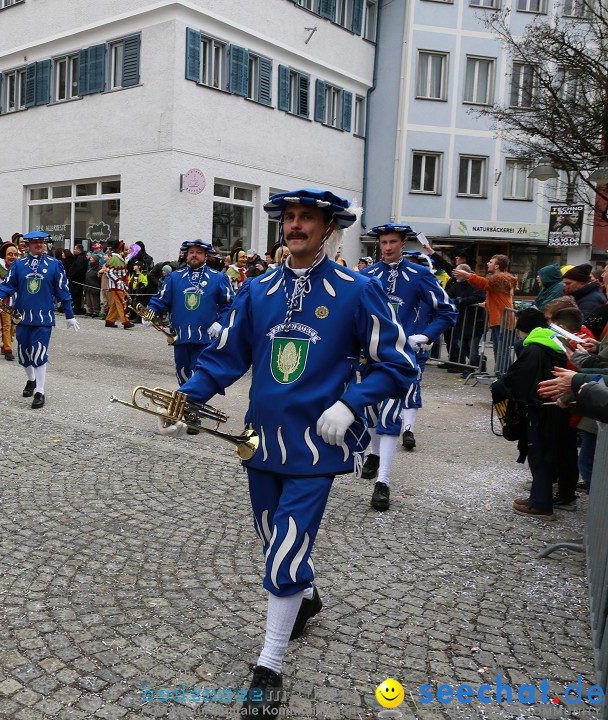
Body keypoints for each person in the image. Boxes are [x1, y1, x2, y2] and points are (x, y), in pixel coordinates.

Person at [165, 190, 416, 717]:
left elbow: (397, 365)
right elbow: (226, 356)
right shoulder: (258, 289)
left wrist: (352, 405)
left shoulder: (357, 289)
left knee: (285, 547)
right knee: (272, 539)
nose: (296, 225)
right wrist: (189, 394)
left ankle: (269, 665)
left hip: (316, 447)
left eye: (308, 218)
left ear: (328, 228)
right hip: (259, 442)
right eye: (290, 218)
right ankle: (306, 597)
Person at [359, 227, 456, 510]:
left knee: (390, 416)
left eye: (393, 242)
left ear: (403, 244)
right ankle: (374, 454)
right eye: (383, 242)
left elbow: (447, 310)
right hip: (369, 357)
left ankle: (383, 483)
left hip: (400, 358)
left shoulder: (419, 275)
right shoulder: (366, 276)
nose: (388, 247)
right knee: (372, 414)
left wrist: (424, 336)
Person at [504, 307, 580, 518]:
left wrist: (503, 386)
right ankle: (539, 497)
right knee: (547, 453)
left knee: (540, 454)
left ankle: (540, 503)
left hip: (542, 408)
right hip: (557, 406)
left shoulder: (534, 348)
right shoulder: (553, 344)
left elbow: (520, 379)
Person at [0, 231, 80, 409]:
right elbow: (8, 286)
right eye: (35, 243)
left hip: (44, 318)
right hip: (23, 316)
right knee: (24, 356)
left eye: (41, 242)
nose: (39, 245)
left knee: (39, 353)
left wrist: (70, 315)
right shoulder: (19, 265)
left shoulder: (55, 264)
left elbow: (63, 290)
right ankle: (31, 380)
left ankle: (40, 391)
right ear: (27, 245)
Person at [147, 239, 233, 385]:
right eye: (191, 252)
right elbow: (161, 300)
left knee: (200, 376)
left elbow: (231, 306)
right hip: (181, 337)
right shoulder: (174, 277)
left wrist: (220, 323)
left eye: (199, 253)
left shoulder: (218, 278)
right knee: (182, 375)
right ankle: (185, 406)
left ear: (206, 255)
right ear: (186, 255)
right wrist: (150, 312)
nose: (194, 255)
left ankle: (194, 404)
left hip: (206, 338)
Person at [451, 255, 517, 374]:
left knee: (502, 350)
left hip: (502, 319)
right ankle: (502, 373)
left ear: (497, 266)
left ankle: (505, 374)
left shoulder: (500, 278)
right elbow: (499, 297)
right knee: (499, 349)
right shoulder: (500, 279)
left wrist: (468, 275)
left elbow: (485, 284)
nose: (487, 263)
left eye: (490, 262)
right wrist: (487, 304)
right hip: (500, 318)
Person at [444, 263, 487, 371]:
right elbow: (448, 294)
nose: (455, 275)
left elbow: (479, 297)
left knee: (472, 347)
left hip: (475, 321)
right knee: (462, 345)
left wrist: (461, 300)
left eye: (457, 273)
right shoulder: (457, 284)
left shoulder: (476, 283)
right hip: (461, 321)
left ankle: (471, 368)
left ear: (464, 273)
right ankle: (478, 362)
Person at [100, 246, 133, 329]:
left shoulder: (121, 260)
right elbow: (110, 273)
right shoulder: (115, 260)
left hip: (119, 286)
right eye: (126, 250)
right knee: (122, 303)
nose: (128, 251)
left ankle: (110, 320)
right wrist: (118, 281)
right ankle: (125, 322)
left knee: (115, 304)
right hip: (116, 286)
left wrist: (124, 285)